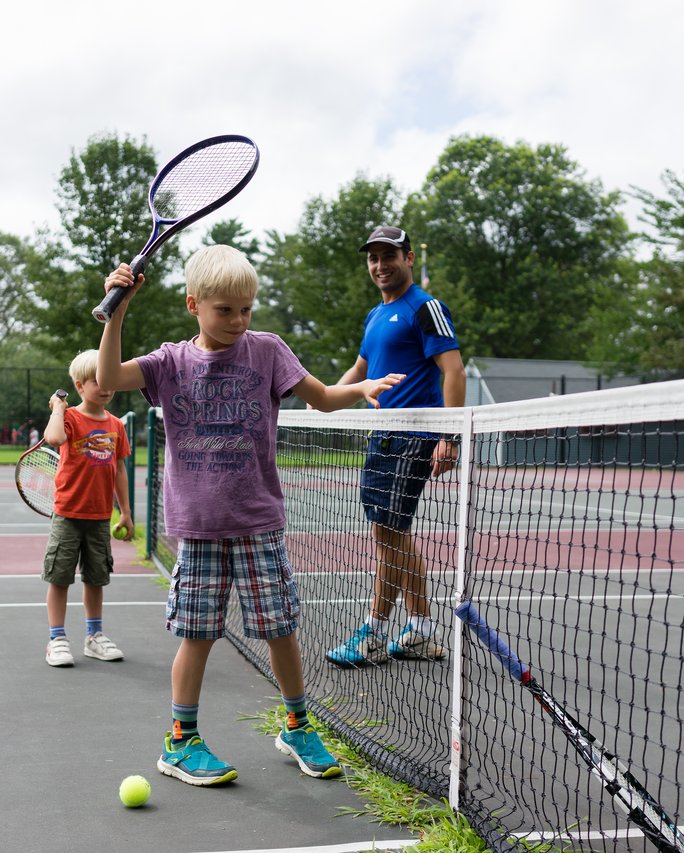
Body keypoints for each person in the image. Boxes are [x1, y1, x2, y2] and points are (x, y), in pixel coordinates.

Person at [97, 244, 402, 787]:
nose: (238, 321)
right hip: (200, 528)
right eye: (225, 310)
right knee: (198, 634)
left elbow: (324, 397)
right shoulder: (169, 362)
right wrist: (117, 308)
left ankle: (297, 725)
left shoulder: (267, 351)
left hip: (259, 520)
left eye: (247, 309)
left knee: (281, 629)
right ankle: (181, 741)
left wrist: (359, 387)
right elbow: (107, 376)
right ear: (194, 304)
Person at [324, 226, 466, 669]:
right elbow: (361, 368)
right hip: (381, 436)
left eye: (389, 256)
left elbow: (454, 370)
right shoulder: (374, 315)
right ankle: (419, 633)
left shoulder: (426, 308)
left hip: (413, 436)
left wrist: (449, 435)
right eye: (373, 258)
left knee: (388, 536)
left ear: (407, 257)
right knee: (393, 535)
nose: (380, 265)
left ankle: (373, 634)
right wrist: (319, 401)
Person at [40, 349, 134, 668]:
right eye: (97, 381)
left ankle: (94, 637)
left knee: (96, 579)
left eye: (109, 380)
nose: (106, 387)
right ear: (80, 386)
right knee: (60, 578)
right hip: (68, 514)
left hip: (99, 518)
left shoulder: (116, 425)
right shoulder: (69, 418)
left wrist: (125, 512)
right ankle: (57, 639)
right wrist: (58, 408)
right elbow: (53, 438)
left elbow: (119, 470)